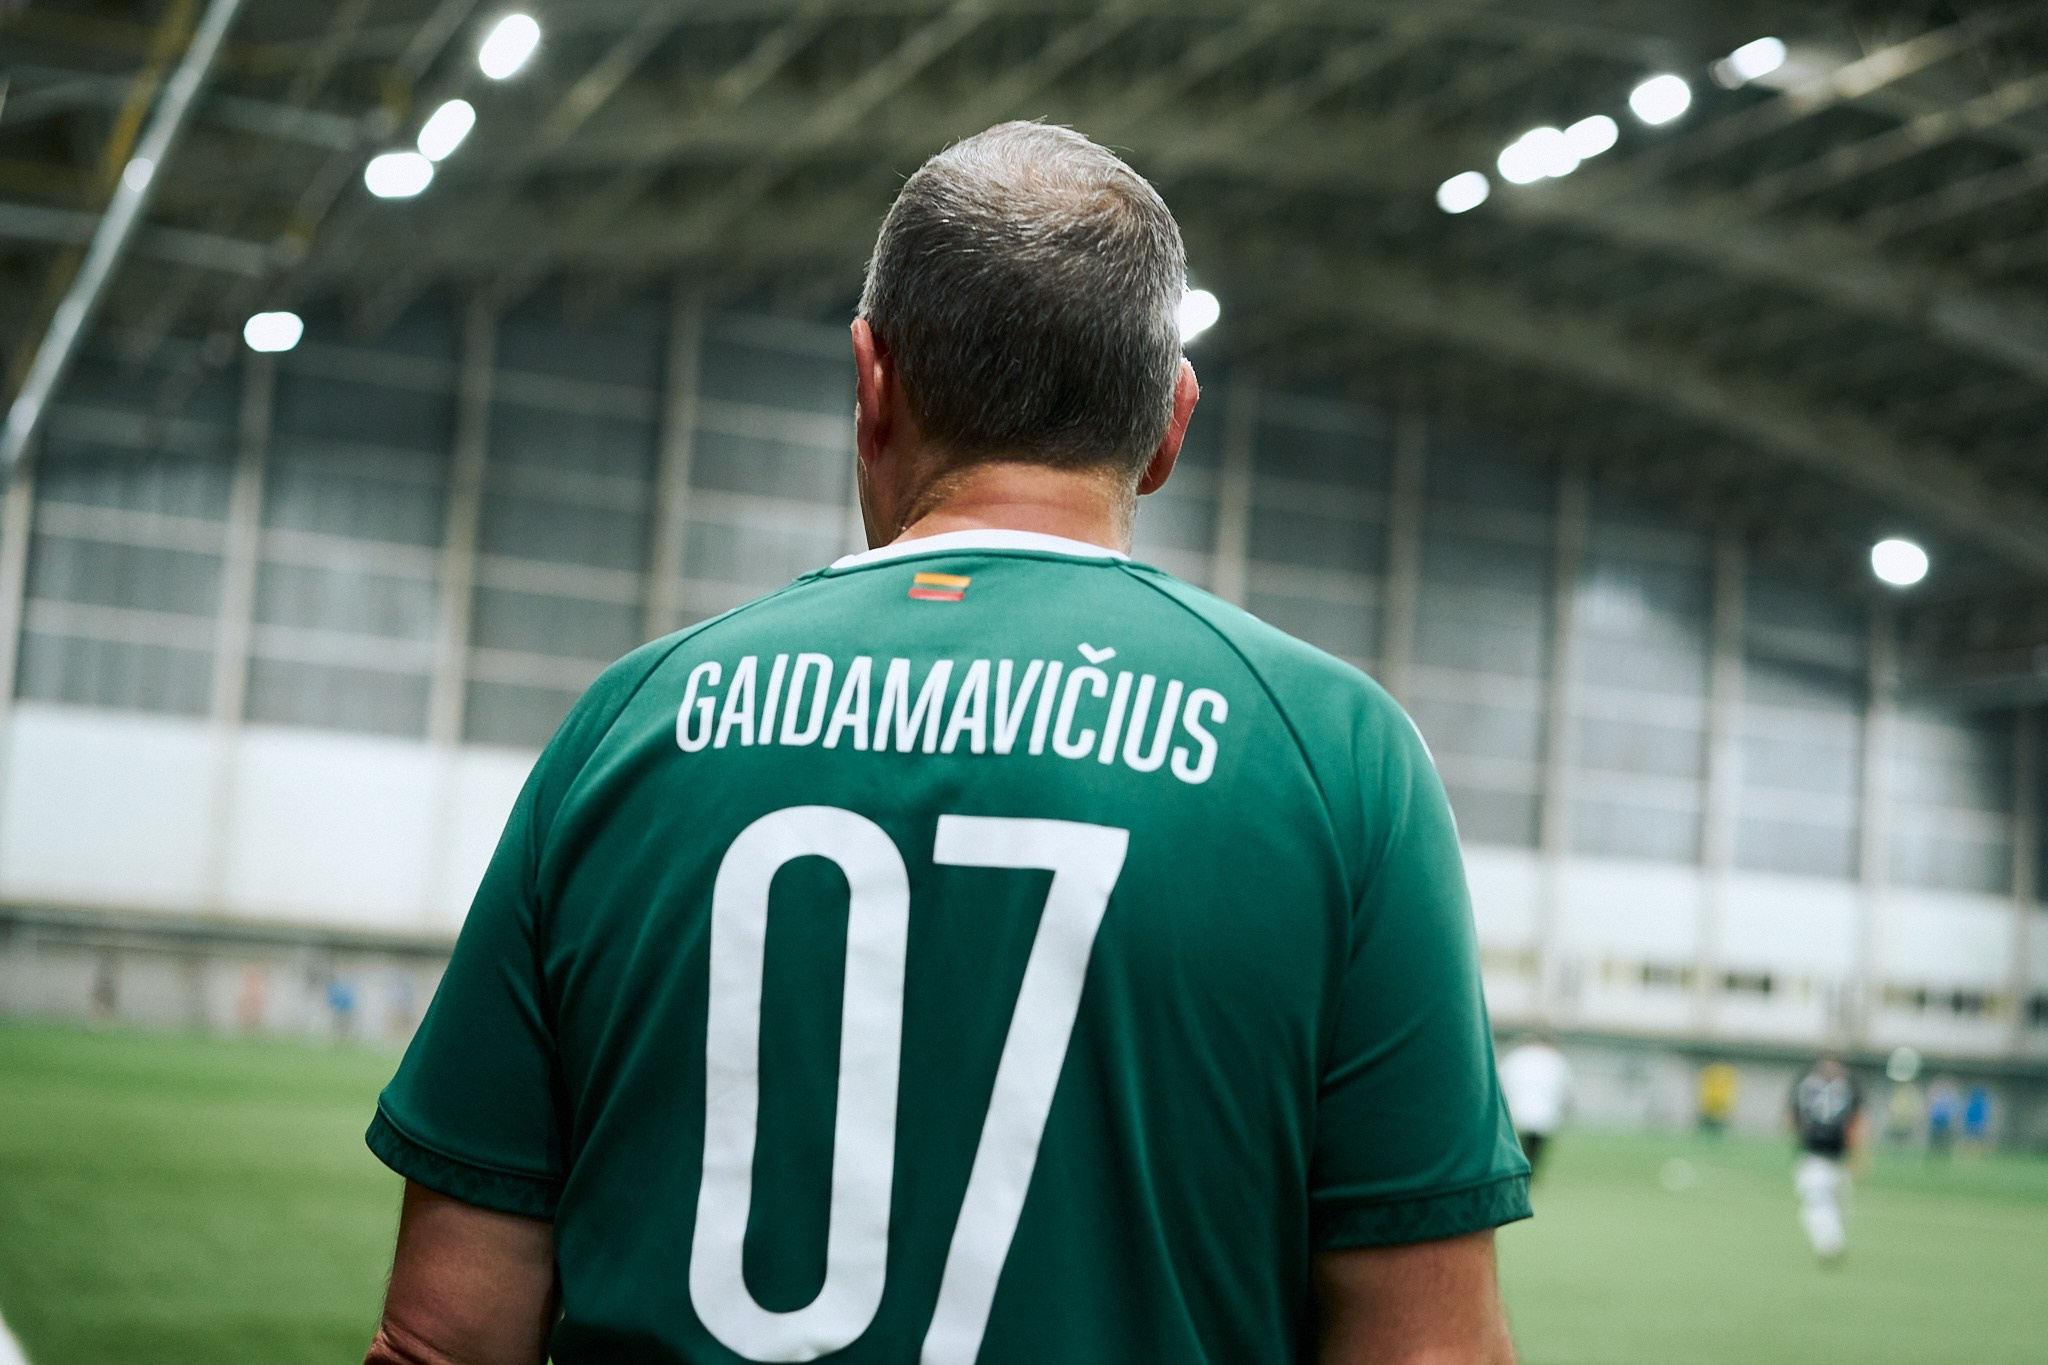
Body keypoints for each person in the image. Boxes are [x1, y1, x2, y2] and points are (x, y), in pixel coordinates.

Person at [358, 123, 1529, 1365]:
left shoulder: (629, 721)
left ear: (871, 385)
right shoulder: (1338, 761)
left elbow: (446, 1338)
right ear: (1169, 425)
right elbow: (1426, 1350)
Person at [1789, 1057, 1863, 1263]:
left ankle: (1832, 1241)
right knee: (1817, 1201)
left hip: (1834, 1158)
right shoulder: (1811, 1086)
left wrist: (1857, 1157)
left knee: (1832, 1205)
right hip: (1815, 1156)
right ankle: (1830, 1243)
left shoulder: (1844, 1089)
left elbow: (1855, 1124)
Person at [1498, 1035, 1572, 1177]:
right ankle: (1526, 1171)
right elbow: (1565, 1087)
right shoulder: (1553, 1059)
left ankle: (1520, 1170)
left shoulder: (1518, 1056)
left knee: (1518, 1144)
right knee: (1533, 1147)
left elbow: (1503, 1079)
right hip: (1541, 1112)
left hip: (1517, 1110)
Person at [1697, 1060, 1739, 1137]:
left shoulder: (1726, 1074)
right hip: (1712, 1104)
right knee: (1709, 1122)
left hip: (1717, 1104)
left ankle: (1716, 1133)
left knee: (1717, 1123)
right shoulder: (1712, 1073)